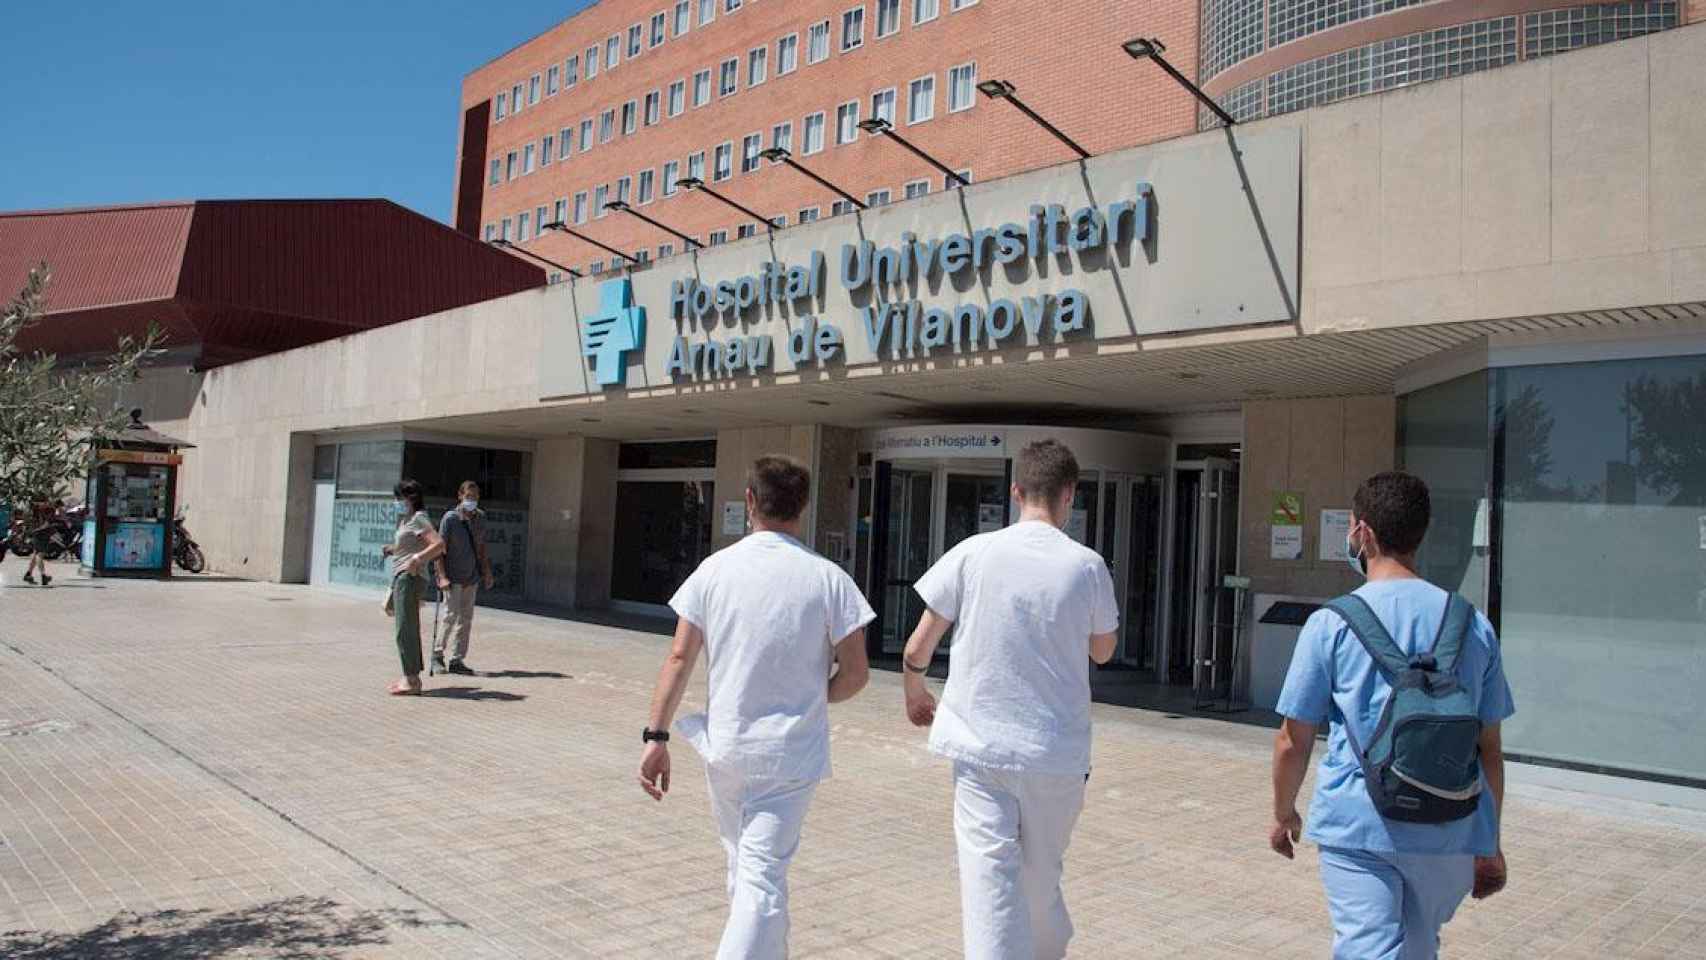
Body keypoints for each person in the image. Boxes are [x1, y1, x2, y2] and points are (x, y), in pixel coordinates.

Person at [637, 454, 873, 960]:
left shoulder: (713, 571)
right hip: (791, 756)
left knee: (745, 868)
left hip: (726, 749)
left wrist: (656, 738)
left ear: (750, 501)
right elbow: (856, 673)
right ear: (803, 508)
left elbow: (679, 655)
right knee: (761, 875)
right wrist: (817, 694)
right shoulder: (829, 578)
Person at [1270, 471, 1513, 959]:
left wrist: (1283, 813)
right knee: (1420, 947)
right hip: (1450, 828)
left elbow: (1292, 740)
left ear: (1361, 532)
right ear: (1420, 534)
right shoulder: (1472, 624)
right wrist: (1488, 841)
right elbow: (1489, 750)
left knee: (1367, 948)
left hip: (1359, 825)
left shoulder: (1330, 624)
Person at [901, 438, 1118, 960]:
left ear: (1017, 490)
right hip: (1056, 755)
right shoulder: (1087, 566)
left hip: (980, 751)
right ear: (1070, 495)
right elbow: (1104, 651)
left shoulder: (974, 552)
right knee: (1040, 881)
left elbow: (919, 644)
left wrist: (914, 688)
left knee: (990, 888)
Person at [381, 480, 445, 696]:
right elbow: (407, 546)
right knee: (405, 626)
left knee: (404, 629)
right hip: (402, 576)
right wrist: (392, 549)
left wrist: (418, 558)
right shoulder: (406, 520)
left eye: (399, 498)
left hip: (410, 577)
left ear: (410, 498)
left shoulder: (418, 518)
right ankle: (409, 675)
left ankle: (412, 679)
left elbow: (438, 544)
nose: (396, 502)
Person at [431, 480, 493, 676]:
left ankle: (457, 659)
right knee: (450, 616)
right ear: (460, 496)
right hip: (453, 577)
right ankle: (437, 654)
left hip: (471, 577)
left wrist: (486, 572)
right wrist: (442, 577)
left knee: (466, 619)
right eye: (468, 497)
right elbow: (439, 550)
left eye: (475, 497)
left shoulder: (480, 518)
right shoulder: (450, 519)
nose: (472, 500)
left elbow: (481, 547)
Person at [22, 496, 58, 587]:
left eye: (42, 502)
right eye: (38, 502)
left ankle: (28, 574)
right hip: (40, 535)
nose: (40, 504)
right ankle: (43, 575)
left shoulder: (45, 510)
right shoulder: (36, 511)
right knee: (39, 554)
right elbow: (46, 523)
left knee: (36, 554)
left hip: (41, 534)